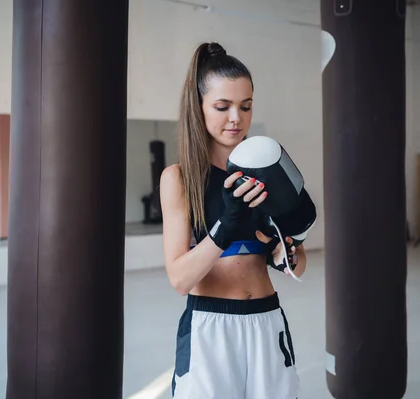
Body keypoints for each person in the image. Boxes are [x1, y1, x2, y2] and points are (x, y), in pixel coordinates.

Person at [159, 42, 309, 399]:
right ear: (199, 107)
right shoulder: (181, 179)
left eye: (246, 106)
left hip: (266, 319)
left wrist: (282, 252)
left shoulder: (268, 172)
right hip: (211, 326)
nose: (236, 118)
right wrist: (225, 226)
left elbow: (299, 266)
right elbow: (180, 279)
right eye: (222, 106)